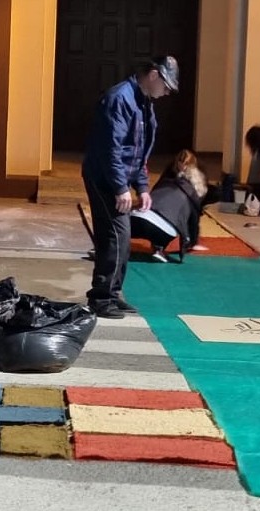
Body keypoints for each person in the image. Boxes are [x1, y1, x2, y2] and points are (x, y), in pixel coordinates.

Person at [81, 55, 179, 318]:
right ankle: (101, 297)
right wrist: (121, 187)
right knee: (115, 235)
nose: (167, 92)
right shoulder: (120, 99)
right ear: (154, 75)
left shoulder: (143, 103)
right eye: (166, 85)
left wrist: (143, 187)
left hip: (119, 177)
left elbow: (138, 150)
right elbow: (111, 149)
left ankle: (112, 293)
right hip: (104, 177)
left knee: (121, 237)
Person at [131, 149, 219, 263]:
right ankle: (159, 249)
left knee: (124, 229)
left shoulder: (165, 182)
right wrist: (191, 242)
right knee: (173, 224)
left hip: (139, 217)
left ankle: (110, 244)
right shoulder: (193, 195)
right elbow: (192, 224)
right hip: (163, 229)